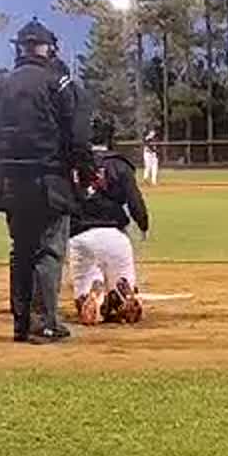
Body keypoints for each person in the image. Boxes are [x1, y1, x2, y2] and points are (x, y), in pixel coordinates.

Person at [0, 19, 96, 344]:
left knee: (21, 252)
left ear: (19, 48)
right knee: (48, 251)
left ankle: (21, 324)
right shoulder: (61, 84)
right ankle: (44, 323)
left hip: (11, 182)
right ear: (48, 48)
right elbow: (79, 137)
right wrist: (85, 175)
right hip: (49, 179)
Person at [70, 118, 151, 325]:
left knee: (84, 287)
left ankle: (91, 295)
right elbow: (135, 201)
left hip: (79, 237)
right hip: (115, 236)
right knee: (122, 280)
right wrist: (143, 224)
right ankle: (123, 294)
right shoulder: (120, 165)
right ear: (110, 138)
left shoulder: (71, 165)